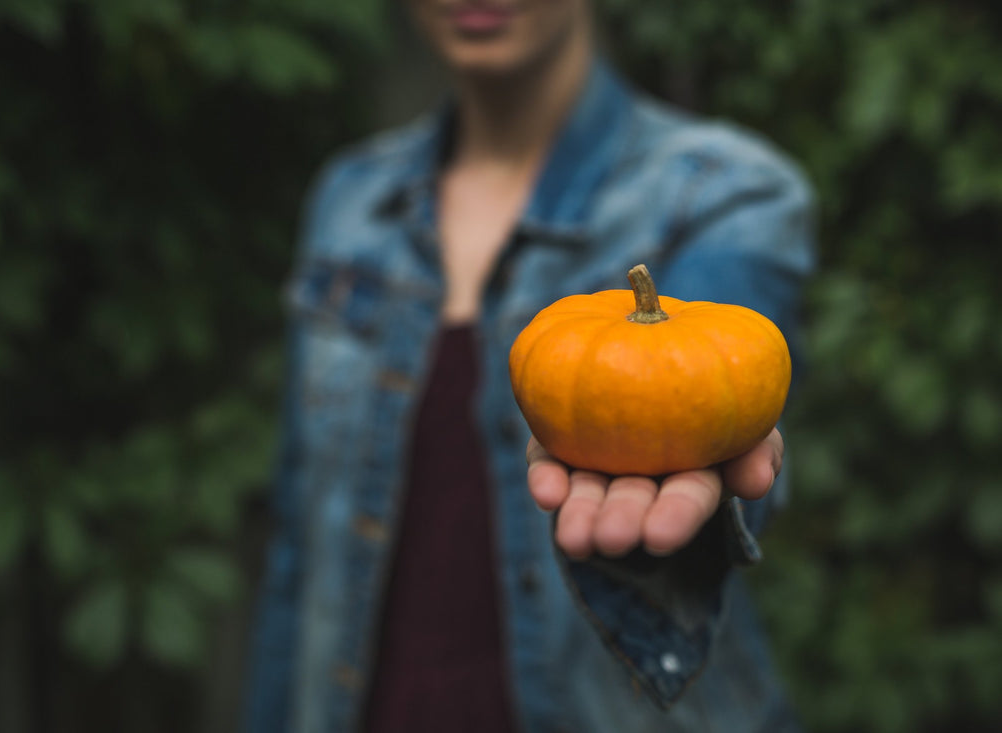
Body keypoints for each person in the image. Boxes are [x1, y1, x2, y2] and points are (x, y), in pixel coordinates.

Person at [245, 1, 815, 731]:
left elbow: (721, 379)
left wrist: (684, 491)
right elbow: (299, 543)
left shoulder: (722, 191)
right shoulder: (349, 202)